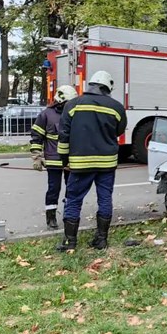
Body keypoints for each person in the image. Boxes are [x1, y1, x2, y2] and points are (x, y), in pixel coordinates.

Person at [56, 71, 127, 251]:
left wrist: (64, 160)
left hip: (80, 164)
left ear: (91, 85)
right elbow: (119, 131)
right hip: (107, 164)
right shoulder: (116, 107)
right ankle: (101, 240)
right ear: (108, 87)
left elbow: (63, 135)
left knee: (73, 200)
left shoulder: (72, 105)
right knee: (105, 199)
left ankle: (70, 242)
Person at [30, 85, 78, 230]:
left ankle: (69, 216)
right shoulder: (46, 115)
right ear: (60, 101)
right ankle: (51, 217)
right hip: (54, 161)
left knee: (72, 189)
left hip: (71, 161)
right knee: (53, 189)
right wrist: (36, 157)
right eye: (68, 103)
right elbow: (36, 136)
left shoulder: (74, 114)